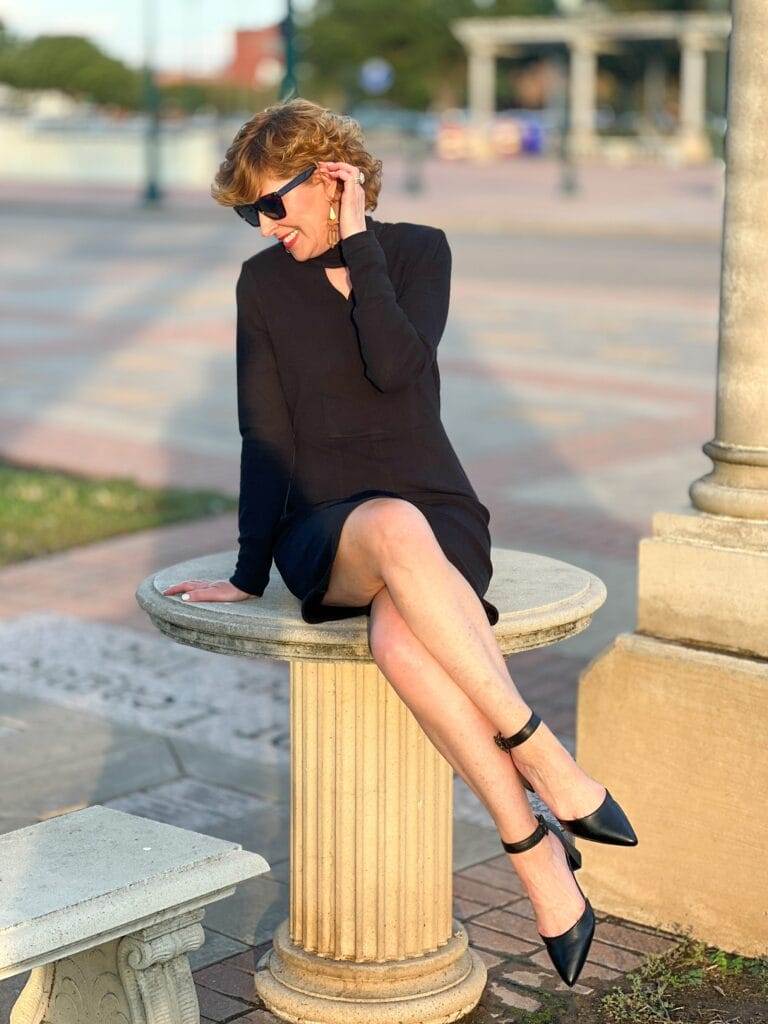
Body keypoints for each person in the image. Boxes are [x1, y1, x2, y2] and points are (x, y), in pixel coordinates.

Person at [162, 98, 637, 987]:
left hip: (439, 512)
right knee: (388, 526)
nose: (264, 226)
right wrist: (245, 570)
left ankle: (534, 854)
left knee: (398, 635)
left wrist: (361, 249)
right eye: (247, 212)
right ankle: (544, 754)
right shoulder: (262, 286)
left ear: (333, 178)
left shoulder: (418, 252)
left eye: (275, 203)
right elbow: (262, 435)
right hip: (328, 530)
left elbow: (400, 371)